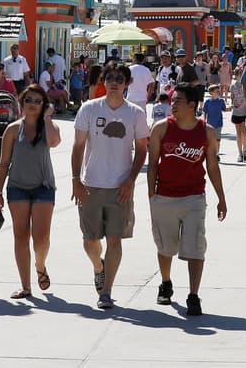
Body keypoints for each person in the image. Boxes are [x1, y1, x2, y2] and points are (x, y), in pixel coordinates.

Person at [71, 65, 149, 309]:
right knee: (89, 241)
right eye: (110, 78)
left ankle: (106, 291)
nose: (114, 82)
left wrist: (130, 180)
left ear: (127, 83)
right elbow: (78, 146)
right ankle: (98, 266)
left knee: (115, 240)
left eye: (119, 79)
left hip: (120, 187)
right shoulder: (89, 108)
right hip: (91, 184)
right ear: (104, 81)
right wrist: (76, 180)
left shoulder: (135, 113)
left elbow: (142, 150)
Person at [147, 82, 227, 316]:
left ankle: (193, 295)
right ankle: (166, 282)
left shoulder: (207, 132)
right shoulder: (161, 129)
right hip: (165, 196)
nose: (173, 104)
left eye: (178, 101)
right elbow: (152, 165)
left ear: (192, 105)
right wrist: (152, 195)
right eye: (172, 100)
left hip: (194, 197)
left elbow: (212, 166)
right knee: (165, 246)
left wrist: (221, 198)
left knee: (195, 247)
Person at [0, 85, 61, 299]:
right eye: (29, 100)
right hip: (17, 187)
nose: (33, 104)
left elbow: (54, 142)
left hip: (43, 186)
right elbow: (3, 163)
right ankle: (25, 285)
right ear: (21, 103)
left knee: (41, 238)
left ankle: (40, 265)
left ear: (44, 105)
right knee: (20, 236)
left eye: (38, 101)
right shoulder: (13, 129)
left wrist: (48, 118)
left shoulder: (49, 126)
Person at [229, 61, 246, 161]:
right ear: (235, 76)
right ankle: (240, 153)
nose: (240, 76)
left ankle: (245, 150)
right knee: (238, 133)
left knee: (244, 132)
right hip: (236, 111)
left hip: (245, 111)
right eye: (238, 75)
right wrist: (232, 104)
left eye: (241, 74)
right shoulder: (233, 86)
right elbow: (232, 97)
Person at [202, 83, 225, 160]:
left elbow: (224, 109)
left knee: (217, 140)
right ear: (211, 93)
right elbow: (205, 112)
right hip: (209, 125)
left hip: (218, 124)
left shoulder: (221, 101)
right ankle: (209, 153)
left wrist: (231, 107)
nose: (219, 92)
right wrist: (204, 121)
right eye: (217, 91)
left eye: (219, 91)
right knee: (209, 141)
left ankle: (217, 154)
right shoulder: (207, 102)